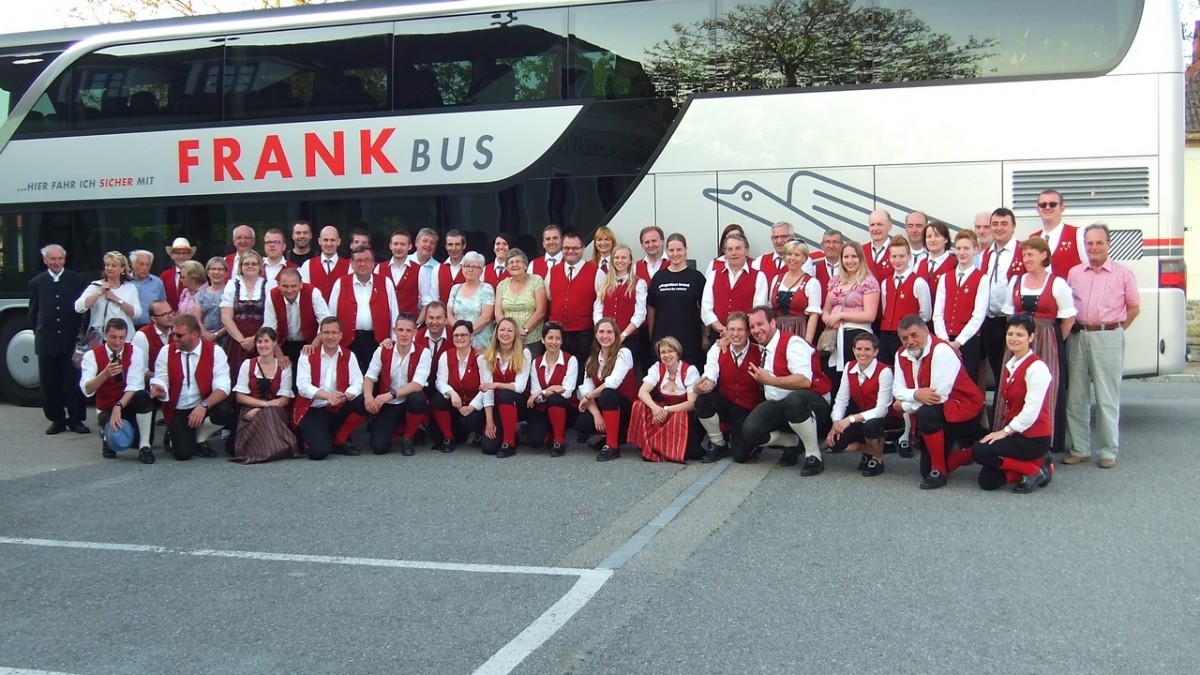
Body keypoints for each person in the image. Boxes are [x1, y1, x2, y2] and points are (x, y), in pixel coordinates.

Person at [1065, 224, 1140, 469]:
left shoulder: (1123, 273)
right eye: (1090, 243)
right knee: (1076, 396)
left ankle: (1108, 451)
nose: (1094, 247)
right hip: (1078, 336)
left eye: (1099, 242)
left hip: (1108, 336)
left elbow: (1134, 308)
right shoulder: (1075, 273)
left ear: (1109, 244)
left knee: (1107, 397)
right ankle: (1080, 449)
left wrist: (1114, 331)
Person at [1000, 237, 1075, 454]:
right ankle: (1009, 434)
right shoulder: (1016, 281)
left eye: (1030, 254)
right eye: (1024, 255)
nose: (1026, 259)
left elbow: (1068, 319)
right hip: (1019, 341)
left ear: (1044, 255)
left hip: (1046, 341)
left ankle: (1043, 440)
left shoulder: (1057, 283)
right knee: (1014, 386)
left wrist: (1052, 342)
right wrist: (1016, 337)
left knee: (1043, 389)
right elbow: (1009, 315)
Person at [892, 315, 985, 490]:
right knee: (924, 470)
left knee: (927, 413)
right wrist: (916, 393)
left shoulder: (941, 351)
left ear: (926, 331)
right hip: (939, 411)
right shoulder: (900, 354)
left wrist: (903, 406)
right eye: (904, 338)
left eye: (914, 335)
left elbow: (937, 397)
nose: (910, 342)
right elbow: (897, 389)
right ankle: (974, 453)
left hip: (964, 409)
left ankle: (939, 470)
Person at [741, 306, 832, 473]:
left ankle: (813, 455)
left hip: (813, 401)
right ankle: (794, 443)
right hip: (782, 404)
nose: (756, 330)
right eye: (752, 326)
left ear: (773, 323)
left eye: (760, 324)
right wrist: (724, 339)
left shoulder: (792, 342)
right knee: (751, 431)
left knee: (794, 401)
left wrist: (770, 380)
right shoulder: (763, 347)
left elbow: (805, 380)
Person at [972, 315, 1055, 492]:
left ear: (1031, 338)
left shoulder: (1037, 368)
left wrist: (1004, 432)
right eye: (1010, 334)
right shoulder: (1011, 364)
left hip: (1034, 438)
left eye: (1020, 335)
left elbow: (1031, 412)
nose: (1013, 339)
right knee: (987, 481)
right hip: (1016, 434)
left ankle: (1033, 471)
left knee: (980, 451)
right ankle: (1038, 465)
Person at [149, 314, 233, 461]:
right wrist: (160, 391)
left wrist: (204, 405)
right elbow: (161, 380)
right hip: (178, 407)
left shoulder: (215, 351)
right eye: (173, 334)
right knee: (183, 454)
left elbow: (223, 386)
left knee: (224, 410)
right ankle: (173, 432)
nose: (174, 338)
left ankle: (200, 439)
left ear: (194, 335)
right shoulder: (166, 352)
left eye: (179, 335)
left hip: (204, 405)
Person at [29, 243, 89, 435]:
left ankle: (76, 419)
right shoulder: (37, 282)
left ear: (65, 259)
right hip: (47, 341)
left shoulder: (77, 280)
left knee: (73, 382)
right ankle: (57, 420)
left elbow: (83, 311)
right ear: (45, 260)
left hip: (70, 341)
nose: (57, 262)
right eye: (53, 259)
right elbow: (33, 313)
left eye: (60, 259)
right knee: (50, 383)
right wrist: (41, 334)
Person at [826, 332, 903, 477]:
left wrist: (850, 419)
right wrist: (835, 423)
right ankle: (868, 450)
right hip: (863, 418)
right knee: (835, 444)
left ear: (876, 352)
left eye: (867, 349)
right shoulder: (849, 367)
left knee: (871, 427)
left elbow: (881, 410)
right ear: (853, 350)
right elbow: (841, 399)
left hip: (890, 419)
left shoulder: (884, 371)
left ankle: (877, 459)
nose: (862, 353)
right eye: (859, 349)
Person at [80, 318, 154, 463]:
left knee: (142, 396)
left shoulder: (135, 352)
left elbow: (135, 385)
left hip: (126, 403)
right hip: (106, 406)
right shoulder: (91, 355)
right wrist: (104, 374)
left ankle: (145, 446)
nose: (118, 342)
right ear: (105, 335)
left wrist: (118, 406)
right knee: (116, 442)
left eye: (121, 337)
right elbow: (87, 390)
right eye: (113, 337)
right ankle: (106, 435)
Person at [293, 316, 367, 460]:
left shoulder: (349, 355)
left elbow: (358, 383)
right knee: (319, 453)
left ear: (340, 335)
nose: (330, 337)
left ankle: (339, 440)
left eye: (334, 332)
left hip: (339, 406)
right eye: (326, 332)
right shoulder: (307, 355)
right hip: (313, 409)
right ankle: (309, 437)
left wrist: (344, 396)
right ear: (320, 335)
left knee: (362, 401)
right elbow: (303, 386)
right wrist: (328, 396)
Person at [694, 312, 763, 463]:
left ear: (748, 332)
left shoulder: (759, 351)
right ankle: (719, 443)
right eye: (731, 329)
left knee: (740, 457)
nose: (735, 334)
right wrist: (705, 384)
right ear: (726, 331)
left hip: (748, 409)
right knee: (703, 401)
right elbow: (711, 373)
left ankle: (752, 441)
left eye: (740, 329)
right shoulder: (717, 349)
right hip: (727, 404)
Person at [362, 314, 431, 456]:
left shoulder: (423, 352)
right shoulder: (382, 350)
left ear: (415, 332)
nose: (404, 334)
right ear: (394, 331)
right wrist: (368, 396)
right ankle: (402, 429)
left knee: (417, 398)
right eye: (400, 330)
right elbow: (369, 377)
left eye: (408, 330)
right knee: (379, 447)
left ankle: (408, 438)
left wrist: (391, 394)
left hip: (408, 400)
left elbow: (417, 384)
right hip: (389, 404)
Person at [230, 327, 299, 464]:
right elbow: (240, 396)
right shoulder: (248, 364)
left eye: (266, 341)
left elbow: (284, 400)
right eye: (259, 342)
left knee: (268, 414)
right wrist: (264, 405)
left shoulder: (283, 367)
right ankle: (275, 449)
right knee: (265, 414)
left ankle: (261, 451)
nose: (262, 345)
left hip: (276, 410)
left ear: (274, 343)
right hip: (250, 408)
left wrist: (261, 409)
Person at [575, 318, 638, 461]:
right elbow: (586, 389)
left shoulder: (624, 353)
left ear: (616, 335)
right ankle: (616, 434)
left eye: (609, 332)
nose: (605, 336)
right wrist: (597, 415)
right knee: (582, 423)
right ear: (596, 335)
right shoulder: (592, 359)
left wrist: (588, 396)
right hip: (607, 407)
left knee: (607, 393)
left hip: (628, 408)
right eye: (601, 332)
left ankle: (612, 446)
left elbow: (612, 383)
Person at [629, 336, 701, 463]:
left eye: (670, 351)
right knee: (639, 404)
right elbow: (642, 392)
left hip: (683, 415)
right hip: (662, 412)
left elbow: (692, 403)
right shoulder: (657, 368)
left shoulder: (689, 371)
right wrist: (655, 408)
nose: (667, 355)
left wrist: (666, 410)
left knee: (680, 416)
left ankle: (670, 448)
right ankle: (650, 444)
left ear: (677, 353)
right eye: (663, 352)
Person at [328, 246, 400, 370]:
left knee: (375, 377)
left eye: (367, 260)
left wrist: (394, 340)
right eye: (359, 260)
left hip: (378, 341)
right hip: (348, 341)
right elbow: (331, 316)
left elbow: (394, 314)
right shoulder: (340, 283)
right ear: (351, 263)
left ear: (373, 263)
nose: (363, 264)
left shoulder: (386, 283)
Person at [932, 231, 989, 388]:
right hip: (945, 339)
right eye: (958, 248)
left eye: (966, 248)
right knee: (944, 382)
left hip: (968, 341)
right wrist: (944, 340)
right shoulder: (945, 278)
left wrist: (958, 342)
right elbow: (938, 313)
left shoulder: (982, 279)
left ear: (975, 250)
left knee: (967, 383)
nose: (962, 252)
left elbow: (978, 315)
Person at [820, 241, 879, 390]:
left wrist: (841, 316)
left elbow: (870, 315)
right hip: (833, 336)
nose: (849, 261)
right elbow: (826, 309)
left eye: (854, 256)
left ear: (860, 258)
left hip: (856, 336)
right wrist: (828, 319)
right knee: (831, 377)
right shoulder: (835, 281)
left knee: (852, 379)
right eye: (846, 257)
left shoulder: (868, 281)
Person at [431, 320, 493, 452]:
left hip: (475, 405)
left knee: (468, 421)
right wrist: (451, 393)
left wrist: (472, 406)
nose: (459, 338)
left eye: (464, 335)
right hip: (455, 404)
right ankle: (449, 438)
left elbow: (486, 387)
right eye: (456, 335)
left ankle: (476, 431)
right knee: (437, 400)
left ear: (471, 337)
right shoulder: (446, 356)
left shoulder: (481, 358)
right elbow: (440, 382)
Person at [980, 207, 1026, 385]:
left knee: (1017, 371)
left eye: (1004, 224)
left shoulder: (1023, 250)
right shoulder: (985, 254)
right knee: (998, 371)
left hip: (1014, 321)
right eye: (995, 224)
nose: (999, 228)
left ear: (1013, 227)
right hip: (990, 321)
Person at [647, 234, 706, 367]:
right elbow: (651, 306)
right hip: (663, 341)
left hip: (689, 341)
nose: (675, 254)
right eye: (671, 250)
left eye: (679, 250)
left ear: (685, 250)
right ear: (667, 252)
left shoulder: (697, 277)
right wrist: (651, 332)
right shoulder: (659, 277)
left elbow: (706, 307)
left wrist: (706, 335)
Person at [701, 232, 768, 340]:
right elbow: (706, 310)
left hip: (747, 337)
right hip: (718, 336)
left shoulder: (759, 277)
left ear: (746, 251)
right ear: (725, 253)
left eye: (738, 248)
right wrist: (723, 330)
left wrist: (737, 331)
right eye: (730, 249)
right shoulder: (713, 275)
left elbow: (758, 310)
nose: (733, 253)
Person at [546, 232, 599, 372]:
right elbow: (549, 296)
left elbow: (601, 302)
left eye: (575, 248)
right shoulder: (553, 271)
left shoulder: (596, 271)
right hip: (557, 333)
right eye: (566, 248)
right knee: (559, 370)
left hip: (583, 334)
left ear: (583, 249)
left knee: (581, 370)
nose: (570, 251)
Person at [480, 317, 531, 457]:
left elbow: (520, 387)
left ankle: (509, 443)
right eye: (502, 330)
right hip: (498, 405)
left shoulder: (524, 353)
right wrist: (489, 421)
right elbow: (487, 391)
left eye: (510, 330)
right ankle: (512, 430)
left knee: (505, 394)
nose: (505, 334)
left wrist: (496, 384)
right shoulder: (487, 356)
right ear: (496, 333)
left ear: (515, 334)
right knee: (489, 448)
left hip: (519, 403)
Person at [525, 322, 578, 456]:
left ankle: (559, 441)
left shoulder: (571, 360)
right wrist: (549, 390)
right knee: (534, 442)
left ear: (562, 341)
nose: (554, 342)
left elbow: (567, 391)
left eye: (558, 338)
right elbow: (535, 397)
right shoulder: (536, 362)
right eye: (550, 338)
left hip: (565, 408)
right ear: (543, 340)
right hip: (543, 409)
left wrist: (543, 392)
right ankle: (549, 433)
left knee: (556, 398)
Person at [878, 236, 932, 366]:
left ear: (909, 257)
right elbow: (886, 309)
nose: (897, 260)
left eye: (901, 256)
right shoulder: (885, 283)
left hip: (907, 336)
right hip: (885, 335)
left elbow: (925, 315)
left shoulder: (918, 282)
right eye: (894, 256)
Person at [262, 267, 331, 365]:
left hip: (310, 342)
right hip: (283, 343)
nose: (289, 290)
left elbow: (326, 323)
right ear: (278, 285)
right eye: (285, 286)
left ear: (301, 284)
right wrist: (280, 356)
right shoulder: (272, 295)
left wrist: (313, 346)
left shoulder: (313, 293)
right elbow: (270, 330)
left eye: (293, 286)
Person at [593, 245, 647, 360]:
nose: (620, 261)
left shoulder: (639, 283)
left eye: (623, 257)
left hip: (629, 338)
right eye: (616, 258)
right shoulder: (605, 283)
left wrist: (623, 335)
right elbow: (598, 310)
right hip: (605, 339)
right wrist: (602, 332)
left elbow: (640, 314)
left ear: (630, 260)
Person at [220, 250, 269, 378]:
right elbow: (226, 317)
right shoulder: (232, 285)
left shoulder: (268, 285)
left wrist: (255, 339)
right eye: (246, 264)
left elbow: (271, 317)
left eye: (254, 264)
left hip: (262, 339)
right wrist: (242, 340)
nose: (250, 266)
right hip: (237, 340)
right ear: (240, 266)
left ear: (260, 267)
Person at [76, 250, 140, 339]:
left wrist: (116, 299)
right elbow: (78, 307)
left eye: (113, 266)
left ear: (122, 269)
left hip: (124, 339)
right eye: (107, 265)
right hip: (100, 338)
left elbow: (137, 314)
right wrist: (99, 292)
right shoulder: (96, 286)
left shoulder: (130, 288)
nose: (109, 268)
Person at [495, 248, 547, 356]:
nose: (514, 265)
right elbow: (498, 313)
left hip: (531, 339)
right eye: (511, 262)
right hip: (508, 339)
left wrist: (524, 330)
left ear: (526, 265)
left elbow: (541, 311)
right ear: (507, 267)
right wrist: (509, 331)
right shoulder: (502, 285)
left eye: (518, 261)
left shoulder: (536, 281)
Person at [770, 240, 821, 344]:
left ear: (804, 258)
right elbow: (770, 309)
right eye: (789, 254)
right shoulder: (776, 279)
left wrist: (807, 343)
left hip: (799, 331)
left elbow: (814, 315)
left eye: (797, 255)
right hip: (777, 331)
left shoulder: (812, 282)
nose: (792, 258)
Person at [445, 251, 495, 351]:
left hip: (481, 343)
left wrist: (467, 333)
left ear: (481, 271)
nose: (470, 269)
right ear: (462, 268)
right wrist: (460, 333)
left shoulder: (486, 289)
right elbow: (449, 314)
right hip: (459, 339)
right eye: (467, 266)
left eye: (475, 267)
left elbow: (486, 317)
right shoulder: (455, 288)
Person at [1028, 189, 1085, 276]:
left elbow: (1090, 267)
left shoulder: (1078, 234)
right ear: (1038, 210)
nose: (1047, 207)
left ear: (1062, 208)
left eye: (1052, 204)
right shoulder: (1033, 238)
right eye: (1043, 205)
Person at [299, 225, 350, 301]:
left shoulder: (349, 266)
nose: (329, 244)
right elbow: (303, 293)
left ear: (339, 242)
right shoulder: (307, 265)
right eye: (325, 240)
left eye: (332, 240)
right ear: (319, 241)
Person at [377, 229, 420, 316]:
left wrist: (417, 323)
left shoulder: (419, 270)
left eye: (402, 244)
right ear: (390, 246)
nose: (398, 248)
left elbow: (424, 301)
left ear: (410, 246)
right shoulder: (379, 268)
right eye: (395, 244)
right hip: (385, 319)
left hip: (409, 322)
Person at [192, 257, 230, 349]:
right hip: (204, 339)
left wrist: (216, 335)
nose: (216, 272)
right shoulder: (200, 295)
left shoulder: (230, 292)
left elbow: (233, 319)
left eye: (220, 269)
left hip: (227, 338)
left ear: (226, 273)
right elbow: (197, 319)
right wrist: (205, 335)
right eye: (213, 269)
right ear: (208, 272)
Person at [127, 250, 167, 329]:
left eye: (148, 264)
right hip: (129, 327)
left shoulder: (157, 283)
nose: (145, 268)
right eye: (141, 264)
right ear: (132, 265)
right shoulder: (125, 282)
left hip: (151, 327)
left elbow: (163, 306)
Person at [916, 220, 954, 302]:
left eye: (937, 236)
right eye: (929, 236)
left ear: (946, 239)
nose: (932, 240)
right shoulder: (920, 263)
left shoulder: (954, 264)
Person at [804, 230, 844, 296]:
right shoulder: (814, 270)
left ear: (842, 245)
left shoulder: (849, 269)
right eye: (827, 242)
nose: (831, 246)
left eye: (835, 242)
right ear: (822, 246)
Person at [433, 229, 468, 305]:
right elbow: (434, 297)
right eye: (450, 244)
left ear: (464, 245)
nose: (453, 248)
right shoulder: (437, 269)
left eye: (457, 244)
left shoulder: (472, 268)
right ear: (446, 246)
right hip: (443, 311)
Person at [161, 237, 196, 311]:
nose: (181, 257)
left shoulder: (196, 275)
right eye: (177, 253)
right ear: (172, 256)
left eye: (184, 253)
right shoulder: (165, 276)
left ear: (189, 256)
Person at [414, 227, 441, 320]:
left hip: (430, 319)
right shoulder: (406, 262)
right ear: (416, 243)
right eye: (425, 241)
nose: (428, 245)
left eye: (432, 243)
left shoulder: (438, 268)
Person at [863, 210, 894, 283]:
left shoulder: (898, 251)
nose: (875, 229)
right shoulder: (860, 251)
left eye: (879, 224)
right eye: (872, 225)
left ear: (890, 226)